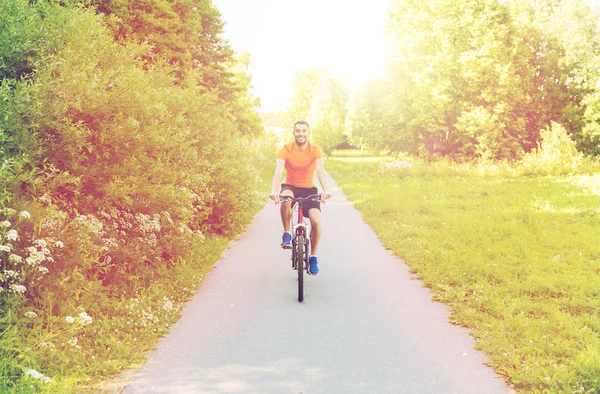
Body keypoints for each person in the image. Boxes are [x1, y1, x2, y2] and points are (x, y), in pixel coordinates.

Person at [269, 121, 332, 276]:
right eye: (298, 131)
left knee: (316, 221)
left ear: (308, 132)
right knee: (285, 198)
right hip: (290, 186)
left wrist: (326, 190)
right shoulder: (285, 150)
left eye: (304, 131)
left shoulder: (315, 151)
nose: (301, 134)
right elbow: (278, 171)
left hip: (309, 189)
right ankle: (287, 233)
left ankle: (313, 257)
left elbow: (320, 171)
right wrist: (274, 190)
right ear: (293, 133)